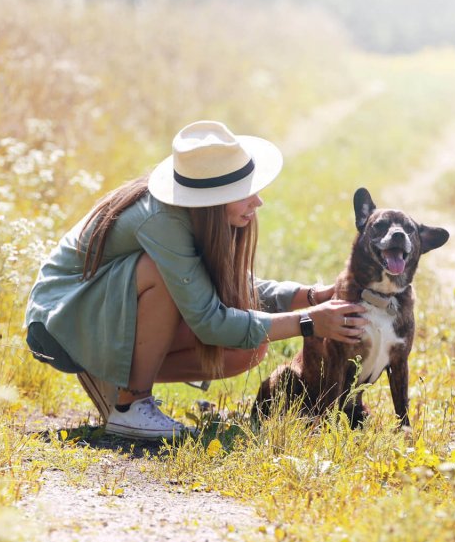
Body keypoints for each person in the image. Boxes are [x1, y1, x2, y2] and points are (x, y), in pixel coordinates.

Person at [24, 121, 367, 439]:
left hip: (94, 315)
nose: (258, 201)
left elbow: (228, 288)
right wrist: (309, 322)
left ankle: (114, 379)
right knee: (155, 270)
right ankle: (131, 405)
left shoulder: (201, 218)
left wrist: (309, 296)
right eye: (245, 192)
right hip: (58, 325)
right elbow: (209, 322)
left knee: (246, 348)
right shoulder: (163, 220)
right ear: (212, 198)